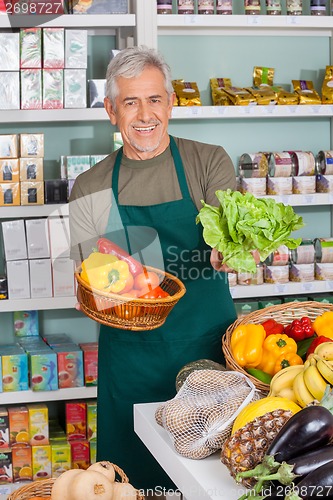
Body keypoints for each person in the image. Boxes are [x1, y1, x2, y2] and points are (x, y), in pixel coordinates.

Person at [69, 45, 237, 496]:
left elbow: (231, 236)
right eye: (130, 102)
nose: (145, 115)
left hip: (209, 351)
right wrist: (102, 290)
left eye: (155, 99)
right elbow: (97, 280)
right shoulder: (91, 185)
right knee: (132, 481)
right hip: (133, 356)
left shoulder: (207, 161)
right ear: (110, 110)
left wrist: (234, 251)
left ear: (171, 103)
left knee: (214, 478)